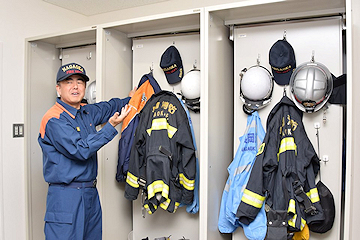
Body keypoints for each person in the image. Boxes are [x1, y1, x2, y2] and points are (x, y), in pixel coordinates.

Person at [38, 62, 135, 240]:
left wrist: (132, 99)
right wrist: (111, 126)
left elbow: (110, 106)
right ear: (58, 89)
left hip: (90, 194)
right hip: (65, 198)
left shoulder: (86, 112)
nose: (75, 86)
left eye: (80, 81)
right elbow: (80, 149)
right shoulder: (54, 119)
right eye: (68, 82)